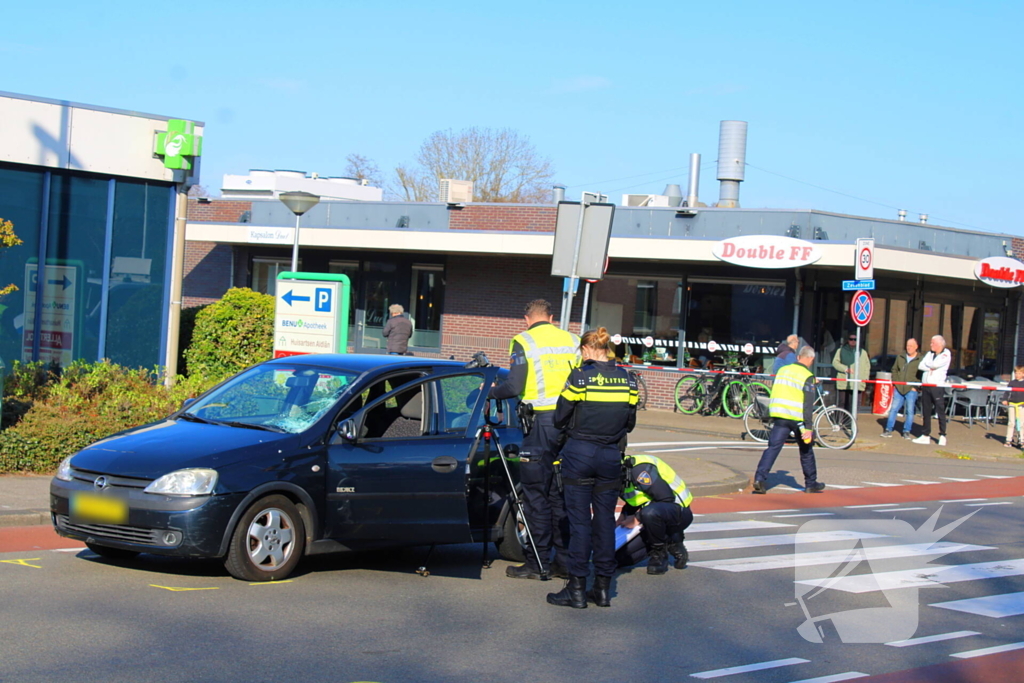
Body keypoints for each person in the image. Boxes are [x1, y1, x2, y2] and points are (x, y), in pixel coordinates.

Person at [546, 327, 638, 609]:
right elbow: (630, 424)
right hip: (611, 456)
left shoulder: (580, 377)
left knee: (579, 524)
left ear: (586, 350)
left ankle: (575, 590)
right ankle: (602, 589)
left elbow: (560, 418)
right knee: (604, 523)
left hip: (580, 455)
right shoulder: (629, 379)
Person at [489, 299, 579, 580]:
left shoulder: (523, 341)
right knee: (559, 494)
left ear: (527, 318)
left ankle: (536, 562)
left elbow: (514, 386)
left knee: (535, 495)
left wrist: (490, 392)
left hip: (540, 424)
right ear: (551, 317)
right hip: (569, 425)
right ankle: (563, 563)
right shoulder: (572, 340)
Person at [752, 346, 825, 495]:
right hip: (798, 419)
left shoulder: (783, 370)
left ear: (798, 357)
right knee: (806, 450)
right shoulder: (807, 375)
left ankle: (759, 479)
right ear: (811, 359)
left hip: (780, 415)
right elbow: (807, 405)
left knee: (773, 448)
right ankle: (810, 484)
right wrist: (809, 428)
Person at [615, 454, 694, 576]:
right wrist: (624, 514)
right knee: (617, 559)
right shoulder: (615, 474)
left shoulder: (639, 470)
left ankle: (660, 553)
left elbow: (666, 498)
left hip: (678, 513)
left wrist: (637, 518)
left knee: (650, 513)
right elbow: (638, 497)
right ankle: (667, 537)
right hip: (653, 517)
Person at [913, 335, 952, 447]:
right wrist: (930, 367)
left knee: (940, 410)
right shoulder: (929, 354)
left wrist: (930, 366)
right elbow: (920, 365)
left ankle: (943, 435)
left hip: (937, 386)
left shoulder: (946, 353)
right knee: (926, 410)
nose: (930, 345)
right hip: (926, 385)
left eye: (932, 343)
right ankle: (925, 435)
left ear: (939, 344)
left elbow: (935, 364)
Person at [882, 338, 922, 439]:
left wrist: (916, 386)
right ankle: (888, 429)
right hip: (899, 388)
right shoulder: (900, 357)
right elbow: (894, 369)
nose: (909, 348)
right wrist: (895, 382)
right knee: (894, 409)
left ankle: (906, 431)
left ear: (916, 347)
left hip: (911, 389)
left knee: (910, 411)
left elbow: (922, 375)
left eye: (911, 346)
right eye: (907, 345)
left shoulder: (920, 359)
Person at [831, 333, 869, 411]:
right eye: (851, 339)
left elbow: (867, 366)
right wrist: (845, 369)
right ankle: (840, 421)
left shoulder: (863, 352)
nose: (853, 341)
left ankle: (852, 422)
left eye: (855, 339)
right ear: (848, 340)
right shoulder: (841, 350)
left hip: (857, 382)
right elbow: (835, 363)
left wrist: (865, 378)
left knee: (855, 404)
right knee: (843, 403)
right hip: (844, 381)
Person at [1002, 366, 1024, 448]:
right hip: (1012, 404)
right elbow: (1007, 392)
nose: (1017, 375)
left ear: (1023, 374)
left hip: (1021, 405)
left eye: (1019, 373)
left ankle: (1021, 440)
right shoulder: (1012, 383)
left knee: (1021, 423)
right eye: (1016, 373)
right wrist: (1004, 399)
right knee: (1011, 422)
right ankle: (1008, 440)